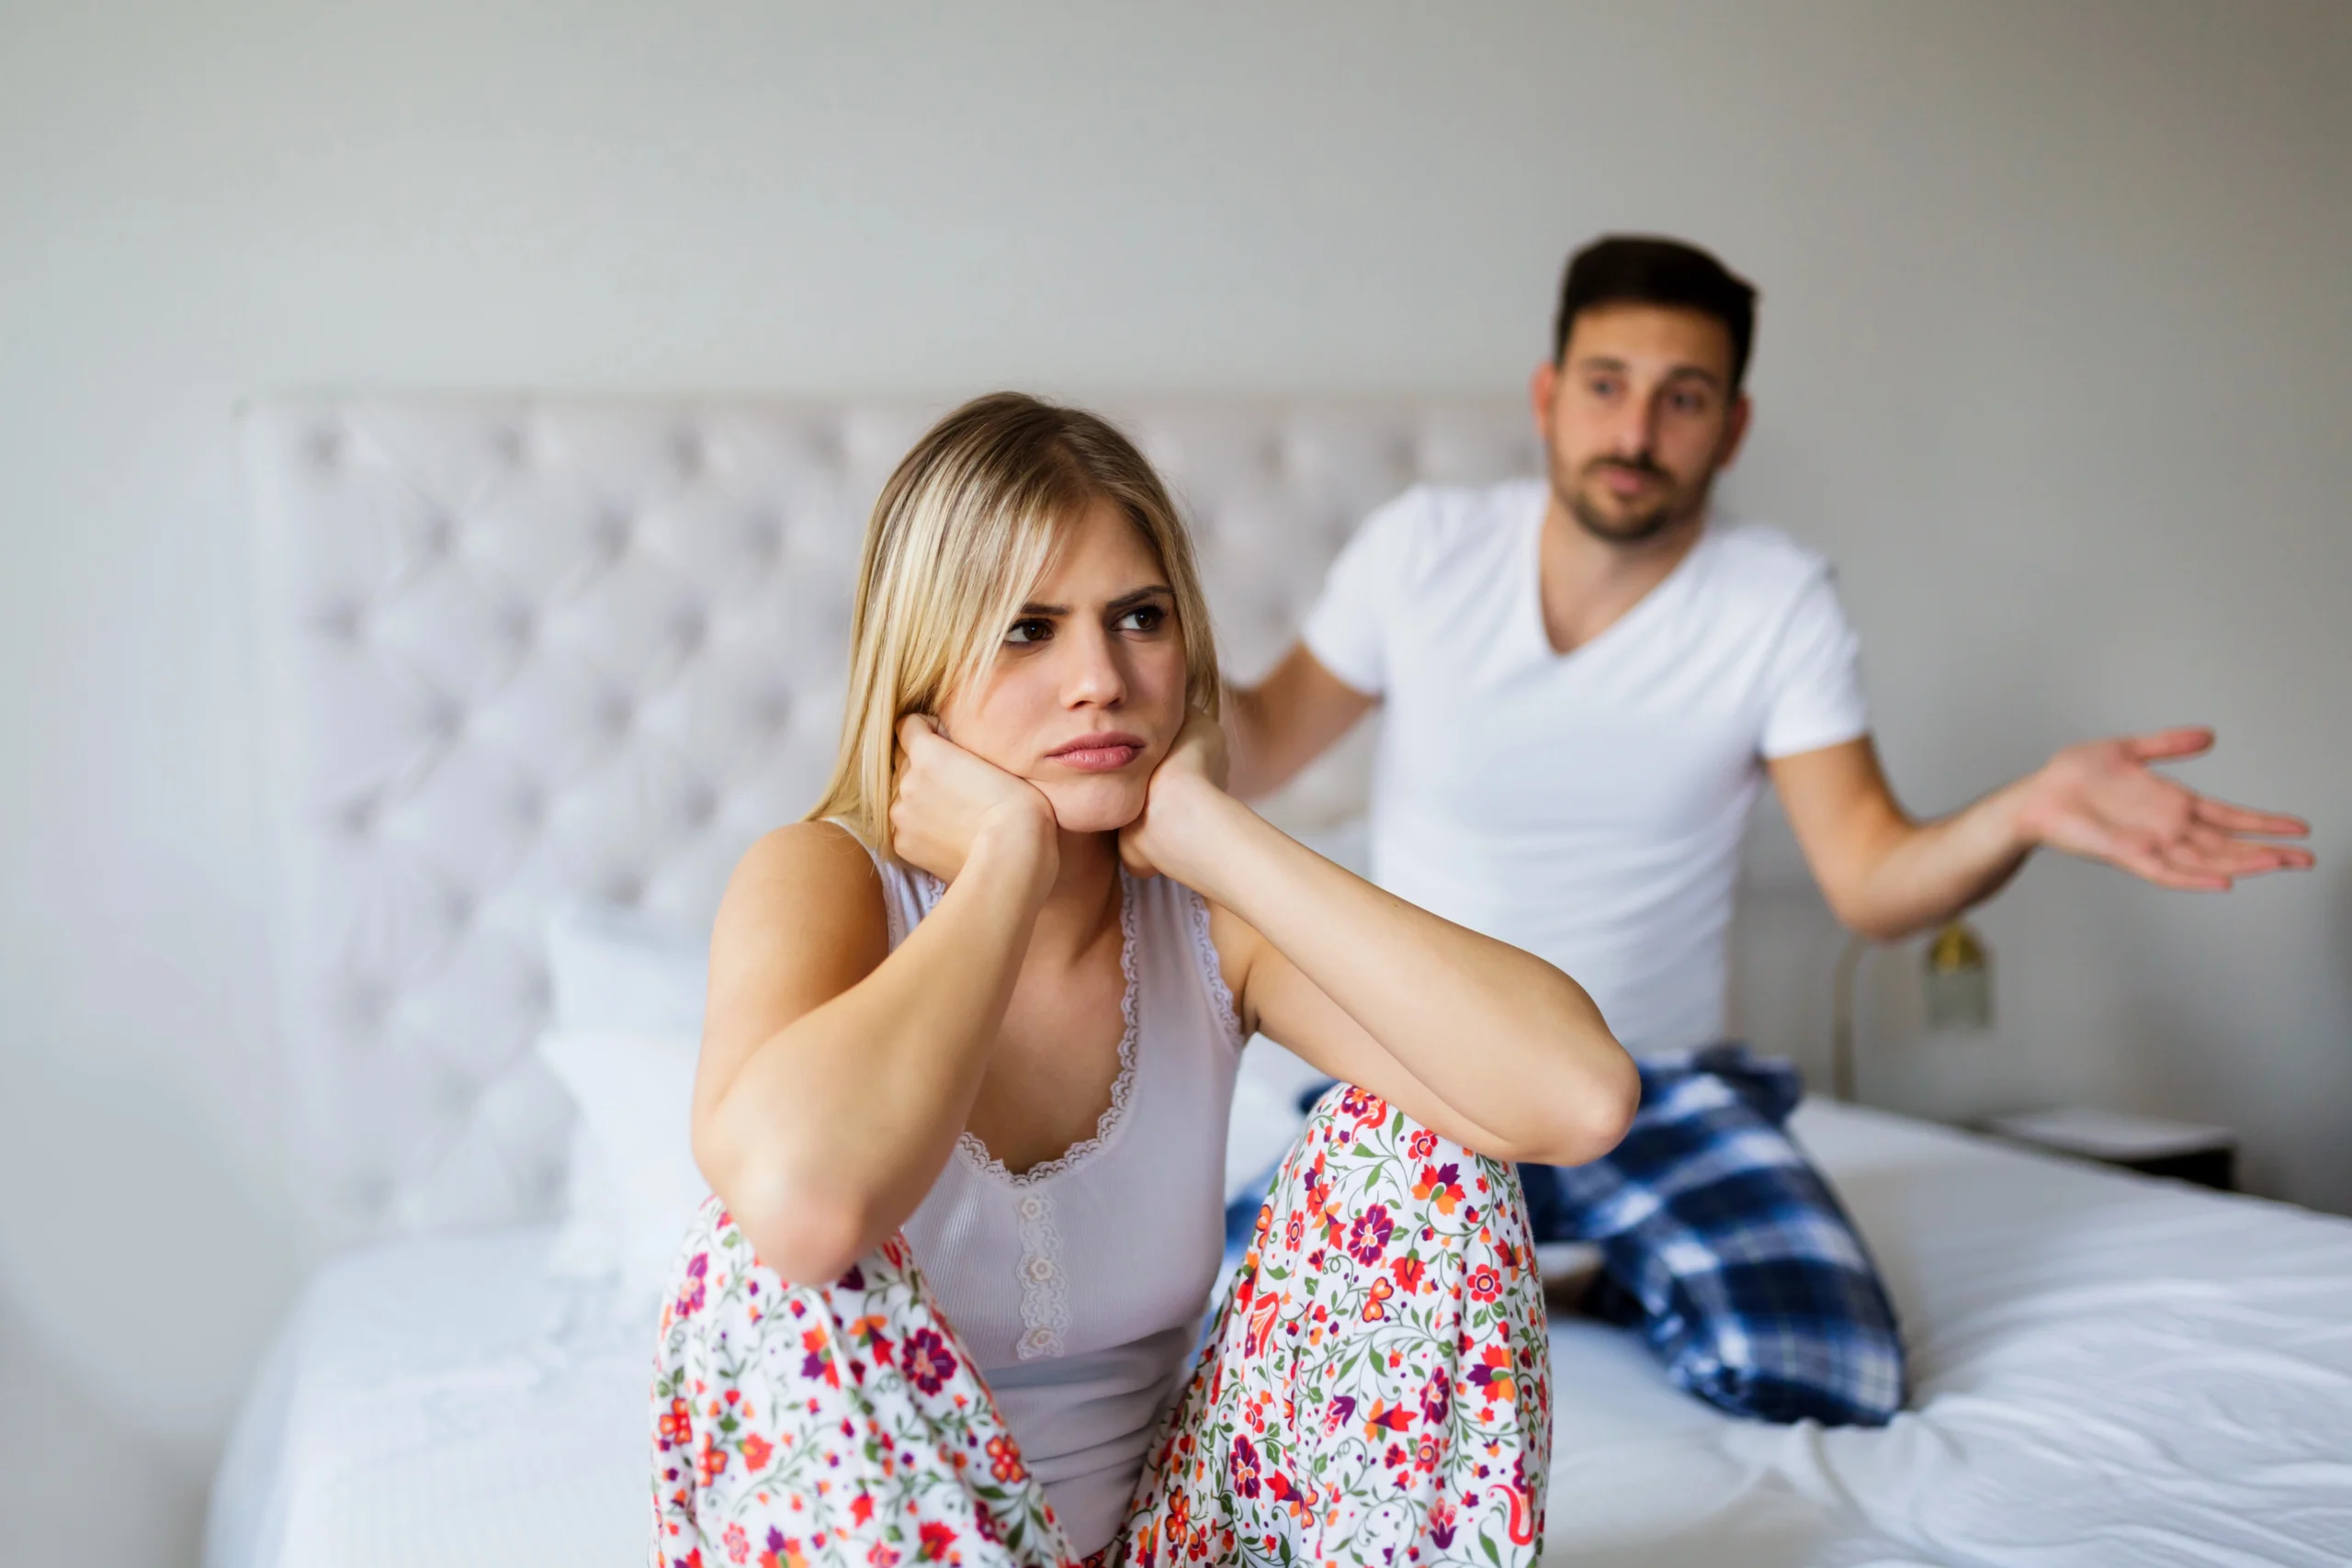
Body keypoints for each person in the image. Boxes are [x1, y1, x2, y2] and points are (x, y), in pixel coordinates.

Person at [1223, 235, 2314, 1429]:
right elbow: (1261, 741)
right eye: (1606, 384)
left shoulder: (1774, 599)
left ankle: (1600, 1265)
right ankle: (1550, 1261)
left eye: (1682, 397)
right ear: (1548, 395)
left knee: (1823, 1370)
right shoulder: (1423, 547)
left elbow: (1871, 880)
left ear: (1732, 427)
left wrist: (2020, 813)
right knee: (1230, 1330)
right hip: (1424, 1073)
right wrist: (1134, 650)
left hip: (1659, 1088)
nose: (1636, 430)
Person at [650, 392, 1639, 1568]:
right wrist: (1004, 865)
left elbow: (1578, 1097)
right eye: (1028, 629)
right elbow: (803, 1215)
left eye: (1139, 618)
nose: (1101, 679)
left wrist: (1215, 834)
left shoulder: (1204, 917)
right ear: (923, 660)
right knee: (760, 1249)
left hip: (1177, 1542)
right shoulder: (821, 879)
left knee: (1421, 1150)